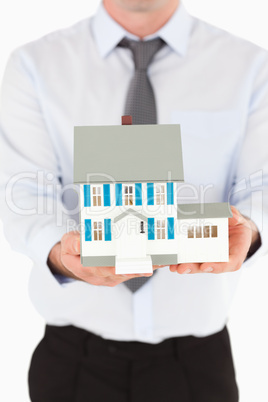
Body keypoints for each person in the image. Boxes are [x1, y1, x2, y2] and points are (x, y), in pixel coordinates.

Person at [0, 0, 267, 401]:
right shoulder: (34, 63)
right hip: (73, 364)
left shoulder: (250, 65)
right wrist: (58, 250)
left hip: (197, 364)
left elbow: (262, 184)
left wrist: (251, 227)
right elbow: (22, 191)